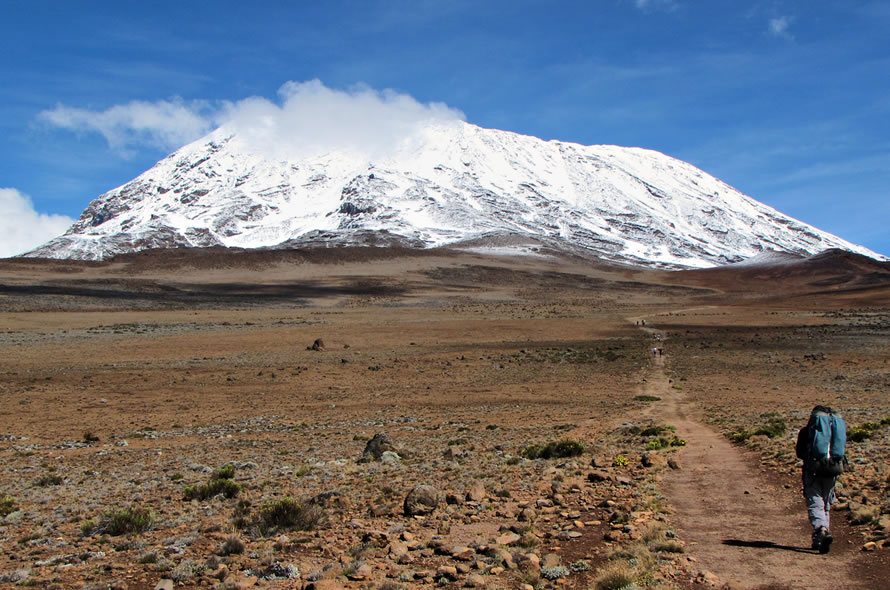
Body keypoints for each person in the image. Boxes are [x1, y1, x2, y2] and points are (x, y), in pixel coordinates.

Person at [795, 405, 845, 554]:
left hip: (813, 469)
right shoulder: (834, 432)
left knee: (815, 500)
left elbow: (800, 453)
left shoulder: (807, 432)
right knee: (826, 502)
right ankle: (821, 537)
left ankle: (820, 529)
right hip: (833, 469)